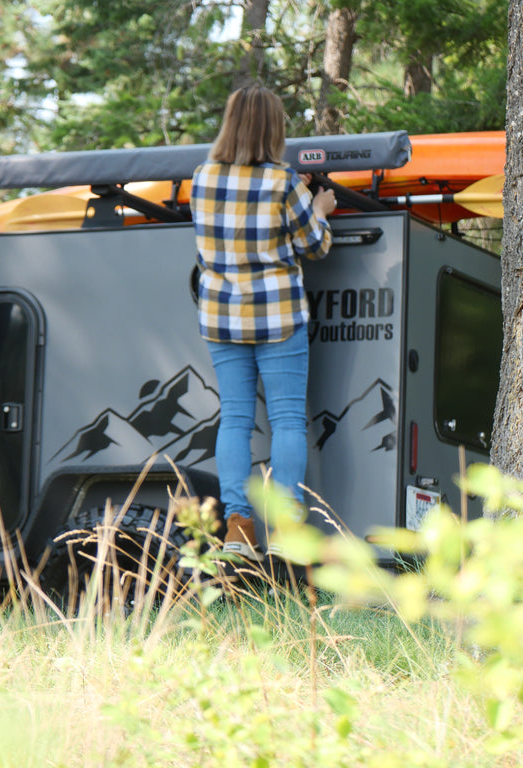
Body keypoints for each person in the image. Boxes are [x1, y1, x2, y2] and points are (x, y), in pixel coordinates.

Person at [190, 85, 336, 560]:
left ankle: (238, 528)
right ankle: (290, 527)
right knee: (287, 419)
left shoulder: (202, 178)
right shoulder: (283, 182)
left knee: (234, 418)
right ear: (275, 129)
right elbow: (314, 246)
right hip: (276, 314)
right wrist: (320, 210)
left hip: (221, 316)